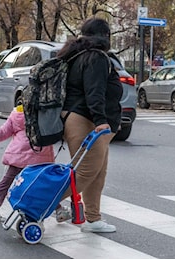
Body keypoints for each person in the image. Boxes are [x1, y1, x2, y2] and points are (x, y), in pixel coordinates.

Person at [55, 17, 123, 233]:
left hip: (82, 118)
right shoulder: (95, 58)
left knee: (97, 172)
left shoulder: (79, 55)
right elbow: (94, 92)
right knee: (85, 172)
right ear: (104, 36)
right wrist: (101, 121)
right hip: (86, 120)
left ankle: (93, 219)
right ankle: (37, 205)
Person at [0, 104, 64, 222]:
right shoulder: (45, 114)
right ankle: (59, 209)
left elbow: (3, 131)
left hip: (18, 157)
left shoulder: (17, 114)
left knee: (6, 182)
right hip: (39, 159)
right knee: (43, 185)